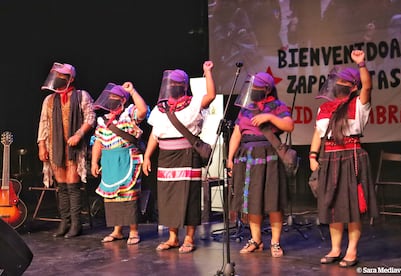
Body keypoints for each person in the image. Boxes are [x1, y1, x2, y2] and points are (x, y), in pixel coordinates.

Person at [309, 50, 378, 268]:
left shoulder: (359, 104)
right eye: (336, 81)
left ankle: (352, 250)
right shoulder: (324, 108)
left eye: (342, 81)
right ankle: (335, 248)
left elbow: (368, 86)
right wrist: (312, 154)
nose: (337, 84)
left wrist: (361, 64)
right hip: (329, 159)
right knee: (332, 206)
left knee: (352, 207)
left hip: (352, 157)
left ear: (352, 86)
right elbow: (317, 133)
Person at [142, 61, 216, 253]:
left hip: (187, 155)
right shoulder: (161, 109)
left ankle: (189, 238)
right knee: (168, 198)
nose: (172, 87)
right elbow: (154, 135)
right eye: (170, 84)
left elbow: (211, 95)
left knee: (189, 196)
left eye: (176, 84)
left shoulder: (193, 103)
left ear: (183, 86)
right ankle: (173, 237)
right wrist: (148, 156)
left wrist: (207, 72)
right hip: (166, 157)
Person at [227, 71, 294, 257]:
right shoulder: (246, 107)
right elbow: (236, 134)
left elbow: (289, 125)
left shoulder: (276, 106)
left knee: (272, 200)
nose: (253, 90)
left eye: (257, 87)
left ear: (267, 89)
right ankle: (255, 239)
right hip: (246, 156)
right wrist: (229, 158)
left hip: (267, 156)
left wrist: (270, 118)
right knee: (251, 201)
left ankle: (275, 242)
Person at [38, 62, 96, 238]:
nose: (56, 80)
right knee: (61, 186)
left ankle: (76, 224)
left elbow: (90, 117)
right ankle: (65, 222)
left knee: (72, 185)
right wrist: (42, 145)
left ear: (69, 79)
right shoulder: (49, 100)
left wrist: (79, 134)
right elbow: (44, 123)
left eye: (60, 77)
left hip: (74, 148)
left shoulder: (81, 96)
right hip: (55, 146)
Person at [90, 82, 148, 245]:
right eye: (110, 97)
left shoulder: (129, 114)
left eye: (115, 97)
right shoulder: (102, 120)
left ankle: (134, 231)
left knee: (129, 196)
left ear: (122, 100)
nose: (111, 100)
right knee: (112, 197)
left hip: (127, 158)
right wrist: (94, 162)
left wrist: (132, 91)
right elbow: (98, 142)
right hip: (109, 161)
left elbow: (143, 110)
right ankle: (117, 231)